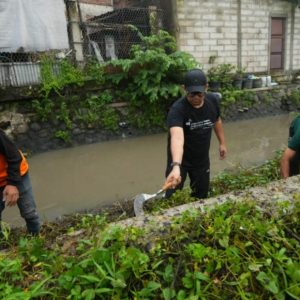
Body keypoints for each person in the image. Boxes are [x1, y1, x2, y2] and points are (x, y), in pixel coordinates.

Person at [164, 68, 227, 199]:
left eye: (200, 93)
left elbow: (217, 120)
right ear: (184, 89)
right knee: (172, 195)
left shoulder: (213, 101)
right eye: (192, 94)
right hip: (180, 160)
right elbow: (177, 137)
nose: (196, 98)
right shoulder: (177, 109)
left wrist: (222, 143)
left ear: (206, 88)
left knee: (201, 195)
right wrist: (176, 166)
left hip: (201, 159)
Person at [0, 129, 40, 236]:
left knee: (29, 212)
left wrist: (12, 184)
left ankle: (36, 239)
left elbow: (14, 157)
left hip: (17, 173)